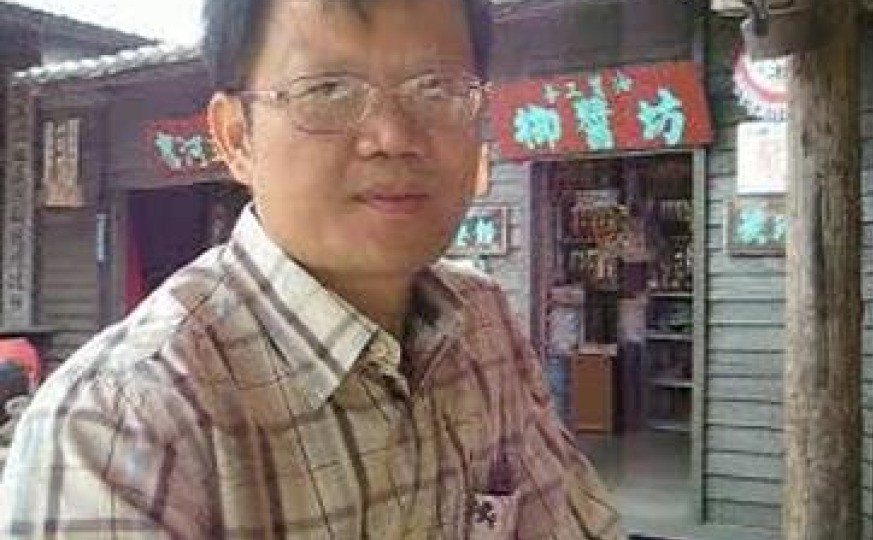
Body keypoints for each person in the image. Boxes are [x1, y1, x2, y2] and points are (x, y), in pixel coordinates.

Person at [0, 0, 624, 537]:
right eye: (328, 90)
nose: (392, 136)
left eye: (436, 88)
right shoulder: (119, 427)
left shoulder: (483, 324)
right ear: (236, 137)